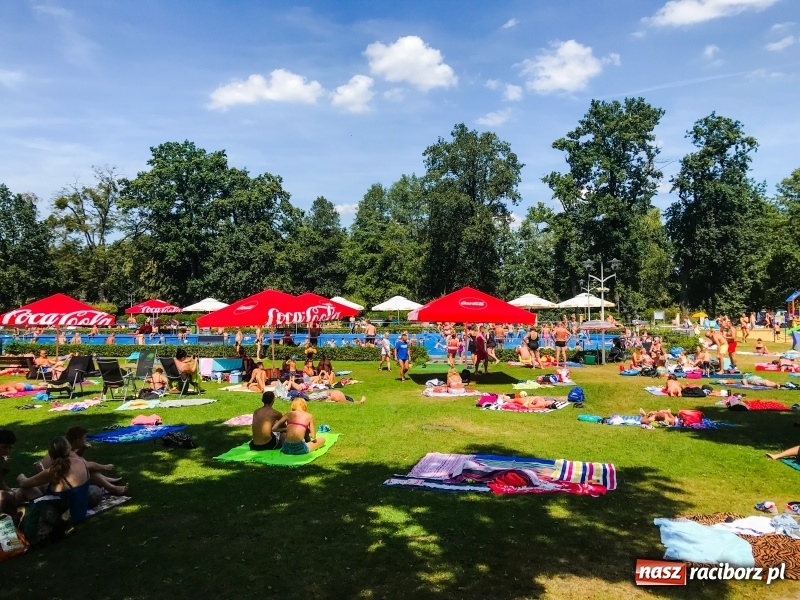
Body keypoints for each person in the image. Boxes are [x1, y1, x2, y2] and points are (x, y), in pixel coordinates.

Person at [16, 438, 101, 523]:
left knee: (25, 490)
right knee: (43, 485)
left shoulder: (53, 471)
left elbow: (24, 483)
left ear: (50, 455)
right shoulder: (81, 462)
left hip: (61, 519)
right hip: (79, 514)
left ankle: (14, 515)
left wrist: (20, 476)